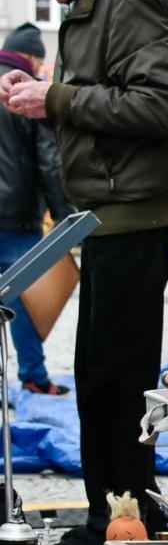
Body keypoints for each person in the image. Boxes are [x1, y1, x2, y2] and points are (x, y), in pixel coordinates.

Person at [0, 0, 168, 545]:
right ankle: (116, 514)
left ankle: (123, 520)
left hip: (134, 212)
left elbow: (159, 107)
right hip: (112, 212)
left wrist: (52, 97)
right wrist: (48, 102)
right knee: (101, 376)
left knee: (113, 376)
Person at [0, 22, 76, 394]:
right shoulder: (23, 92)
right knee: (26, 301)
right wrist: (65, 218)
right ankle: (32, 377)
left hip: (16, 215)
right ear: (32, 58)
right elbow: (49, 161)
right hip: (16, 217)